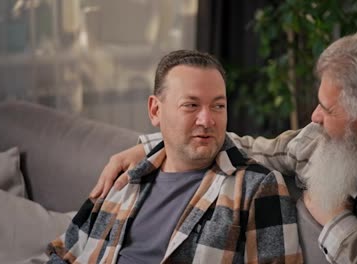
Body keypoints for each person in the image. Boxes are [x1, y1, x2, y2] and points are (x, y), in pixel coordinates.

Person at [90, 32, 357, 263]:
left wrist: (335, 219)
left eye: (327, 109)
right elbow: (255, 148)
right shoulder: (324, 140)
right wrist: (155, 145)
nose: (314, 116)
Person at [47, 50, 303, 263]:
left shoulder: (257, 187)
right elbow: (65, 253)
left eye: (218, 106)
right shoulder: (125, 176)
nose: (207, 120)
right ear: (155, 110)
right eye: (191, 105)